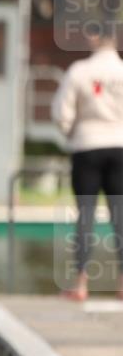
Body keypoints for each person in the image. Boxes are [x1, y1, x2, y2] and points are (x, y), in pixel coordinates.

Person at [51, 27, 123, 300]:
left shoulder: (79, 71)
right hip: (120, 146)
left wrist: (72, 133)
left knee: (85, 215)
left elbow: (61, 112)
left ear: (95, 38)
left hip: (87, 146)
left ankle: (80, 284)